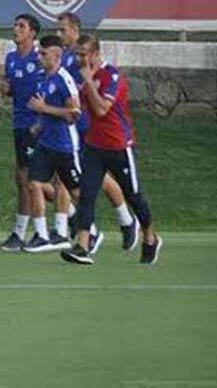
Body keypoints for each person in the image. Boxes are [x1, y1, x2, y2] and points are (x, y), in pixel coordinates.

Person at [62, 35, 162, 265]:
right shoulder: (84, 76)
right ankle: (83, 246)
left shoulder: (111, 76)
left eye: (83, 54)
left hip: (118, 146)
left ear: (96, 54)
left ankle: (149, 237)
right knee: (86, 196)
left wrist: (88, 83)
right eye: (77, 54)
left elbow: (101, 110)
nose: (79, 59)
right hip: (94, 146)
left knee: (133, 196)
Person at [56, 13, 139, 251]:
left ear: (75, 30)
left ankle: (114, 223)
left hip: (87, 127)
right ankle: (81, 228)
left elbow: (94, 89)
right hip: (70, 125)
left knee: (95, 178)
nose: (60, 35)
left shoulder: (84, 59)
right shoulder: (65, 58)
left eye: (63, 30)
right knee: (70, 178)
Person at [24, 35, 80, 253]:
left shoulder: (63, 79)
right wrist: (37, 126)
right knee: (33, 184)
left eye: (43, 53)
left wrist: (43, 109)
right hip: (45, 143)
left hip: (65, 145)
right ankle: (42, 235)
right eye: (39, 53)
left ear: (57, 55)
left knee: (74, 191)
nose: (39, 57)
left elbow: (74, 114)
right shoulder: (42, 78)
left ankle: (88, 229)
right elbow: (44, 110)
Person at [0, 13, 43, 251]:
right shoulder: (11, 58)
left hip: (38, 126)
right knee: (23, 178)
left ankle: (47, 228)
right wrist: (6, 89)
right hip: (19, 124)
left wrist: (42, 119)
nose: (15, 29)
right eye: (15, 25)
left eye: (21, 26)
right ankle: (24, 231)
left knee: (32, 179)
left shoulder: (40, 58)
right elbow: (11, 88)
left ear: (32, 32)